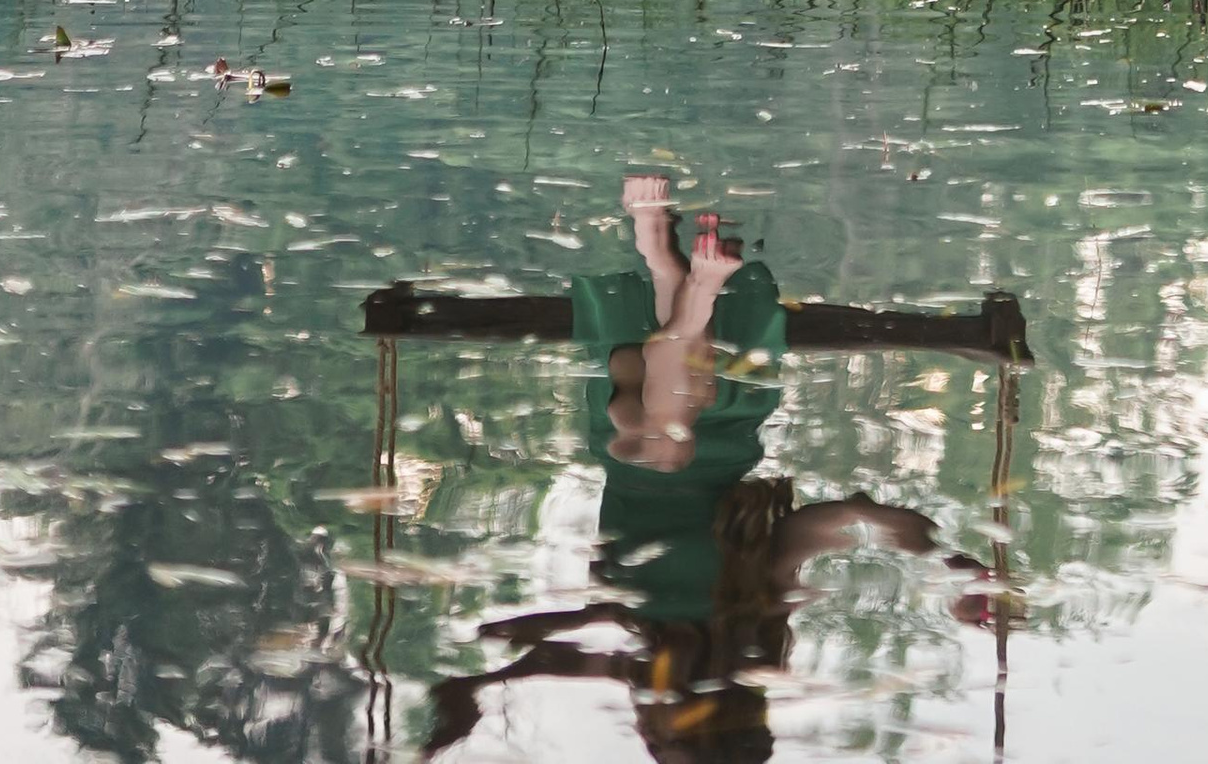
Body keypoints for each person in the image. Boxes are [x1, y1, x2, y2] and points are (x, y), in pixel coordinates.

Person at [420, 175, 989, 762]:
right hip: (721, 421)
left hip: (629, 422)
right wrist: (946, 562)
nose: (650, 717)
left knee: (660, 447)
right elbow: (851, 518)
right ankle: (676, 281)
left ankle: (682, 285)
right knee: (672, 441)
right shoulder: (758, 608)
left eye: (656, 735)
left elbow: (553, 655)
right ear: (721, 717)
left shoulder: (633, 644)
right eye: (670, 736)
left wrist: (482, 683)